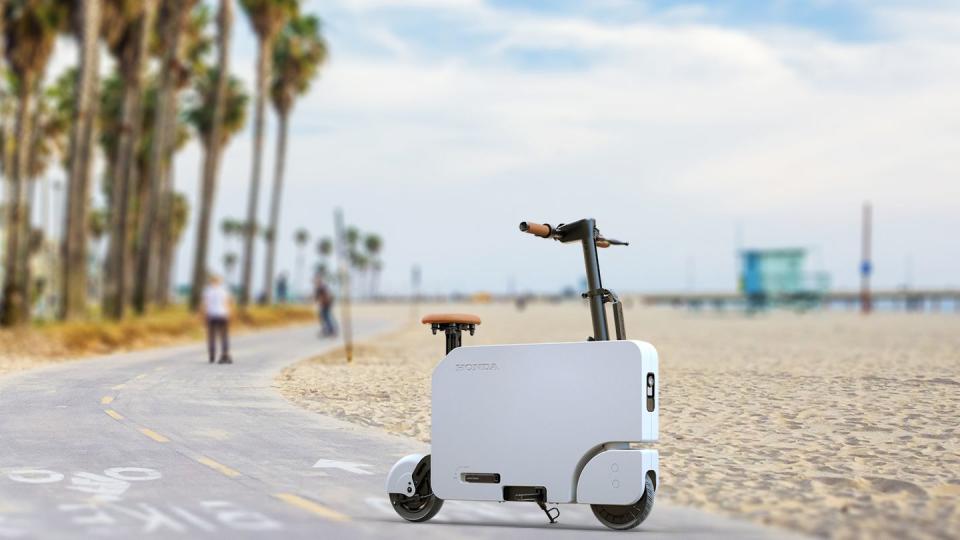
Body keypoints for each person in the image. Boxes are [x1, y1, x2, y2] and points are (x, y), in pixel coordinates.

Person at [202, 274, 233, 364]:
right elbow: (226, 303)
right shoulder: (223, 291)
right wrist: (229, 314)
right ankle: (225, 354)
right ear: (220, 281)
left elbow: (205, 304)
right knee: (223, 335)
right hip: (222, 315)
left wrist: (204, 315)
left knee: (211, 336)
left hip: (212, 315)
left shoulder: (207, 291)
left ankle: (212, 355)